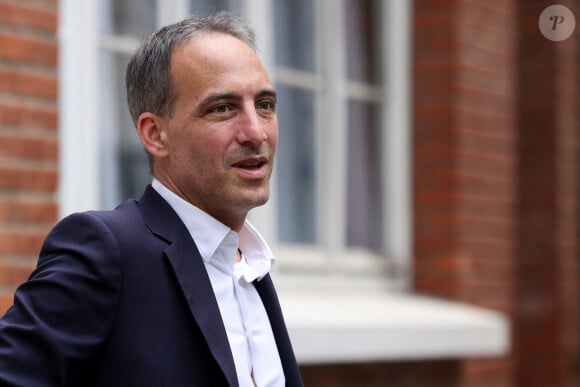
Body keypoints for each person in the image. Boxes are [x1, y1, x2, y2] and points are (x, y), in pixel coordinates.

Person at [0, 12, 303, 387]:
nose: (255, 132)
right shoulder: (106, 250)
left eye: (265, 105)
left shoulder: (251, 265)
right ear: (155, 134)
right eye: (222, 108)